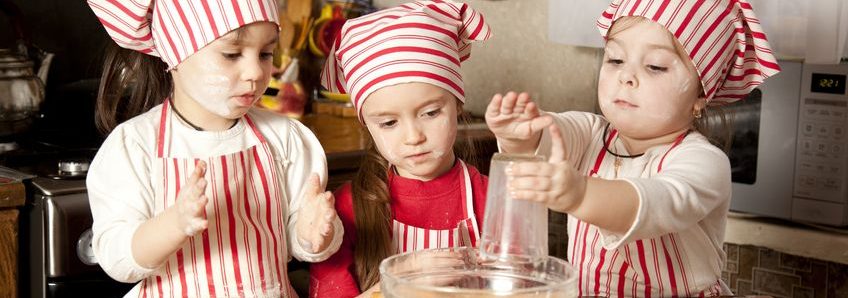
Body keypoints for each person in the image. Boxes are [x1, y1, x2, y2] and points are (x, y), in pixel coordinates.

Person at [485, 0, 780, 296]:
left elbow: (656, 204)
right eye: (615, 60)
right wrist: (519, 136)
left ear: (700, 95)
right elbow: (549, 137)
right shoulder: (590, 134)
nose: (626, 76)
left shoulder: (703, 162)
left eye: (655, 66)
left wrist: (582, 194)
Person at [85, 1, 343, 296]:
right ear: (176, 53)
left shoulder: (283, 137)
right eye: (232, 54)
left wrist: (311, 234)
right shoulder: (135, 146)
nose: (255, 72)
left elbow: (300, 239)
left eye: (265, 53)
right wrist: (174, 224)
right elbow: (118, 259)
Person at [308, 1, 492, 297]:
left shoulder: (491, 200)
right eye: (389, 122)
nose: (413, 137)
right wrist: (397, 280)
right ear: (367, 125)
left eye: (431, 113)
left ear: (457, 104)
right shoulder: (346, 210)